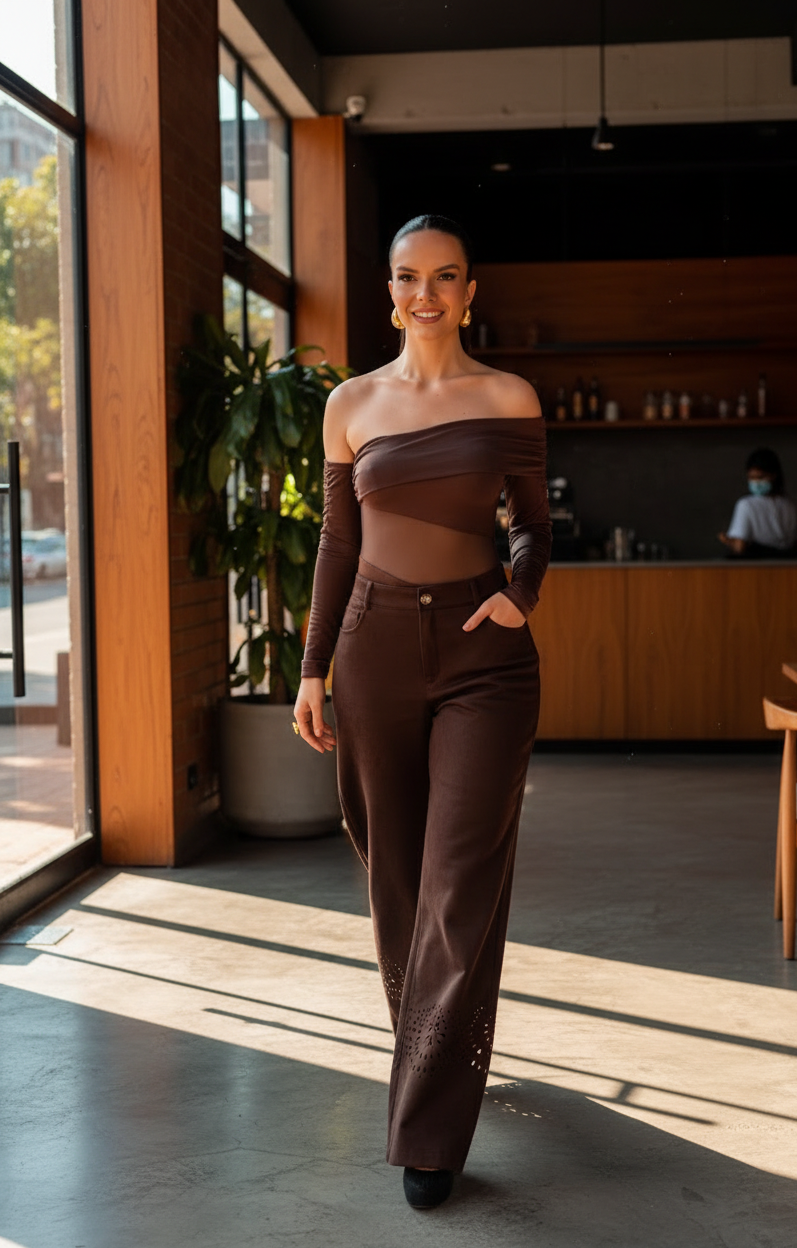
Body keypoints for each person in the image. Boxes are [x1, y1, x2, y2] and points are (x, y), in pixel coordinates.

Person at [292, 215, 551, 1209]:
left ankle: (426, 1134)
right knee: (395, 879)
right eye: (409, 277)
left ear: (470, 290)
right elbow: (334, 546)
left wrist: (518, 595)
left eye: (446, 276)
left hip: (486, 660)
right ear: (389, 289)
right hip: (371, 653)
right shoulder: (349, 405)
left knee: (454, 883)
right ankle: (436, 1065)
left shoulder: (507, 397)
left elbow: (532, 527)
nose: (426, 293)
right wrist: (313, 670)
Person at [718, 447, 797, 558]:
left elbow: (739, 547)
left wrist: (729, 541)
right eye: (752, 478)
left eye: (760, 477)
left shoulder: (746, 505)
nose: (756, 482)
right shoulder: (793, 505)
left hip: (759, 568)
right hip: (790, 567)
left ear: (774, 475)